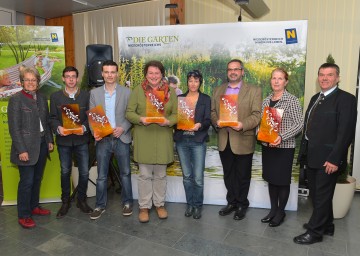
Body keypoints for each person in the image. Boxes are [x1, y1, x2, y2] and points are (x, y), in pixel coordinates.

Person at [294, 63, 357, 244]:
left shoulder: (346, 99)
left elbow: (345, 133)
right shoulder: (316, 97)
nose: (324, 78)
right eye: (321, 74)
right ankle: (327, 224)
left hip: (329, 159)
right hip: (312, 156)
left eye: (329, 75)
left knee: (321, 196)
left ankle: (314, 233)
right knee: (318, 194)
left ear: (337, 78)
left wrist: (334, 159)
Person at [126, 60, 177, 223]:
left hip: (162, 138)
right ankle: (144, 207)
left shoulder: (170, 92)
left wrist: (168, 121)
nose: (153, 76)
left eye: (156, 73)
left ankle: (160, 205)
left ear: (162, 74)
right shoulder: (137, 91)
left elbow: (177, 115)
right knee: (145, 175)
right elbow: (129, 113)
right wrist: (141, 118)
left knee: (161, 175)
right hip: (144, 137)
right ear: (146, 75)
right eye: (150, 73)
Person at [211, 59, 261, 221]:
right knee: (228, 174)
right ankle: (231, 202)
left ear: (242, 71)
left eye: (236, 69)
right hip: (224, 139)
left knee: (242, 175)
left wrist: (243, 124)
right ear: (227, 72)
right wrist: (216, 121)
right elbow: (212, 112)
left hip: (243, 139)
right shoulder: (218, 90)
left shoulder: (254, 90)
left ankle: (241, 204)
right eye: (230, 69)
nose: (233, 72)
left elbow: (256, 115)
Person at [7, 67, 54, 229]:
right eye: (27, 80)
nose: (30, 83)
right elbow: (14, 128)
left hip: (41, 145)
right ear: (21, 82)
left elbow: (46, 122)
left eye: (33, 80)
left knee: (36, 179)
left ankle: (34, 206)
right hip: (26, 148)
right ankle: (24, 215)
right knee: (26, 182)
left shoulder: (41, 98)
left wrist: (49, 140)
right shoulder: (16, 100)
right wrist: (21, 150)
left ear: (38, 82)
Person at [89, 60, 133, 220]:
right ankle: (99, 206)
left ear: (117, 73)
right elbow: (92, 115)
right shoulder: (95, 93)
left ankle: (128, 203)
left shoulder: (127, 92)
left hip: (121, 137)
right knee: (101, 176)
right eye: (106, 72)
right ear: (102, 73)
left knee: (126, 173)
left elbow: (131, 115)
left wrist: (123, 127)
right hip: (103, 139)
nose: (109, 75)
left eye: (112, 72)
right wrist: (95, 131)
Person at [259, 68, 303, 227]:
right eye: (274, 78)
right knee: (271, 179)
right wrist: (261, 134)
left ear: (286, 82)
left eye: (280, 78)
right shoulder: (265, 100)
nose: (276, 81)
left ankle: (280, 212)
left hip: (284, 147)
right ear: (270, 80)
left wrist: (281, 136)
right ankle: (273, 210)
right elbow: (262, 123)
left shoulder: (292, 100)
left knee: (282, 181)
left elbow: (299, 124)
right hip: (268, 146)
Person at [49, 66, 92, 218]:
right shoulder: (55, 97)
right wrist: (58, 128)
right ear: (63, 79)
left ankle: (81, 200)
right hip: (64, 141)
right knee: (65, 171)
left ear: (77, 78)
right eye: (68, 76)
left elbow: (90, 116)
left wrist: (85, 127)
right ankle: (65, 201)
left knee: (85, 171)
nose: (71, 79)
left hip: (81, 140)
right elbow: (52, 118)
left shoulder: (86, 96)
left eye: (73, 76)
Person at [174, 70, 211, 219]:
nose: (193, 83)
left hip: (198, 141)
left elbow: (208, 120)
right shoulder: (179, 98)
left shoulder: (205, 99)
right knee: (187, 176)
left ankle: (197, 206)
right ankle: (189, 204)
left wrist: (199, 125)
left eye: (196, 81)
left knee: (197, 177)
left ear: (200, 82)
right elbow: (173, 118)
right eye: (190, 81)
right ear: (187, 82)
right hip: (182, 140)